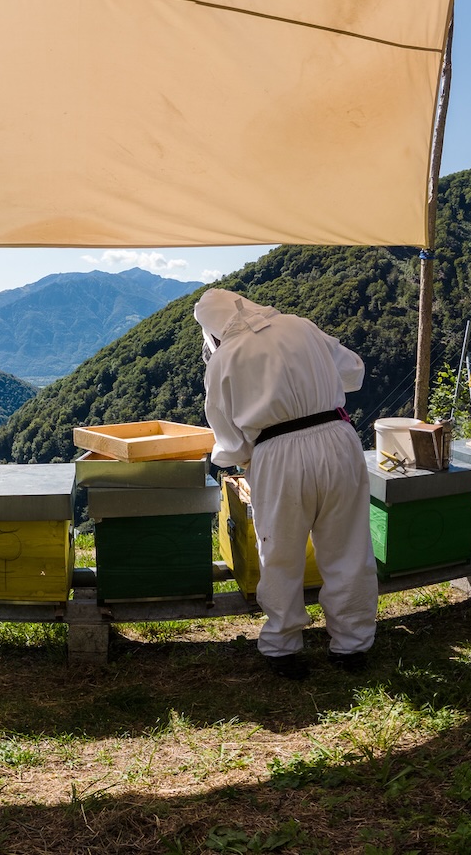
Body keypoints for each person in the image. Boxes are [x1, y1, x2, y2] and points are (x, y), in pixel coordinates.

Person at [194, 288, 379, 679]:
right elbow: (353, 371)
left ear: (212, 329)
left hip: (277, 453)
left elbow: (228, 437)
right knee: (348, 546)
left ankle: (282, 647)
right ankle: (352, 645)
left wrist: (243, 456)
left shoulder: (224, 358)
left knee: (279, 552)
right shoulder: (300, 325)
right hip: (338, 438)